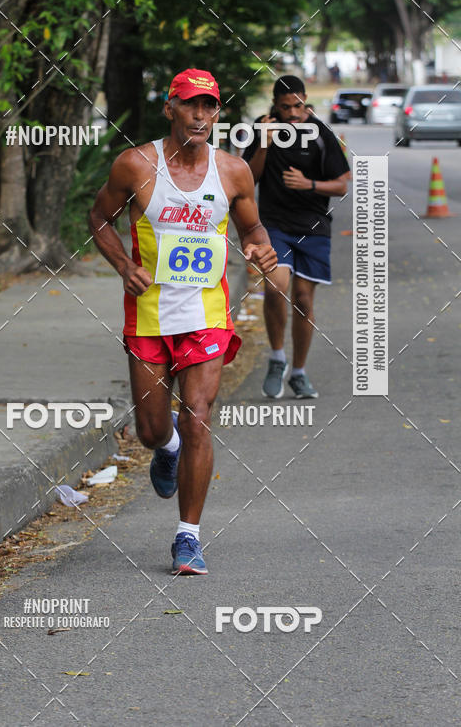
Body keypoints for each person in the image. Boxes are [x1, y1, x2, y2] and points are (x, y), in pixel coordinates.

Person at [88, 68, 277, 575]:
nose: (200, 115)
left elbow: (251, 224)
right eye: (190, 104)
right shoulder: (135, 165)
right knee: (152, 429)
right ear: (170, 108)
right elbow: (99, 217)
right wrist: (124, 266)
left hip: (206, 316)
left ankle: (188, 538)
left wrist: (258, 245)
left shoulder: (233, 171)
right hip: (149, 314)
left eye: (210, 106)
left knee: (197, 415)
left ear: (218, 113)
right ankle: (164, 447)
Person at [248, 75, 349, 399]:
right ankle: (277, 358)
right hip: (274, 224)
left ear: (305, 101)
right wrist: (264, 141)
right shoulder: (263, 127)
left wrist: (310, 185)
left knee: (304, 300)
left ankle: (299, 372)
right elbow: (248, 176)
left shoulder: (320, 132)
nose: (293, 112)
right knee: (276, 286)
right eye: (285, 107)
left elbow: (342, 184)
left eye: (298, 105)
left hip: (314, 227)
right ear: (275, 106)